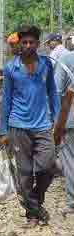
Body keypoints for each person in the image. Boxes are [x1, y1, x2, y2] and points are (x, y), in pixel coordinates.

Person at [0, 25, 60, 227]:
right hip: (18, 125)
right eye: (24, 42)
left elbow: (52, 92)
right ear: (19, 43)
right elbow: (6, 100)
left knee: (47, 166)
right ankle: (32, 214)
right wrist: (3, 130)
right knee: (24, 173)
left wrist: (57, 119)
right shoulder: (11, 68)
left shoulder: (46, 64)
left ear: (37, 43)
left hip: (43, 125)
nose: (28, 46)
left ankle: (35, 201)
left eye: (31, 42)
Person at [54, 39, 74, 216]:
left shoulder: (67, 59)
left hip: (70, 118)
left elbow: (57, 89)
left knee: (69, 159)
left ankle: (72, 201)